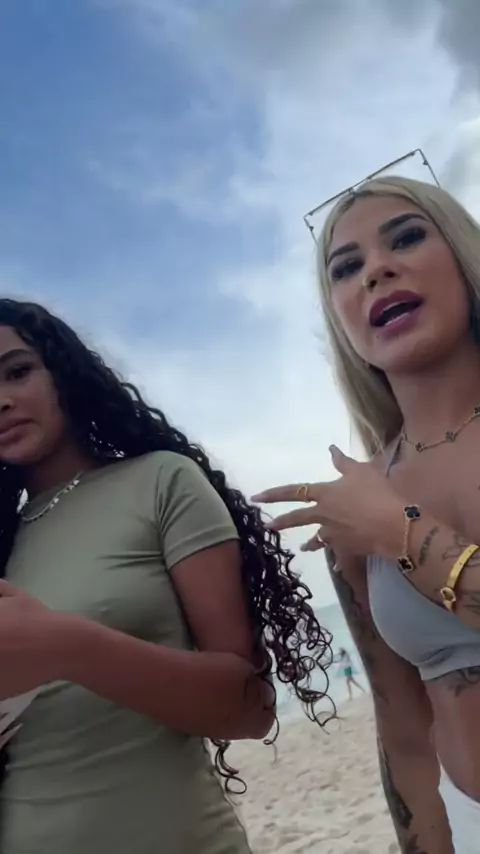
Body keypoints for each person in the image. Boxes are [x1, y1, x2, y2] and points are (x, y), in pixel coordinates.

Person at [0, 298, 333, 854]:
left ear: (62, 370)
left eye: (16, 372)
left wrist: (66, 645)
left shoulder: (160, 483)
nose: (2, 400)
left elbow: (248, 708)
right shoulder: (5, 539)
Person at [251, 175, 480, 854]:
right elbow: (404, 736)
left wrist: (400, 532)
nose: (375, 270)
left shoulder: (373, 514)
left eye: (406, 238)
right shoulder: (356, 503)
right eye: (345, 269)